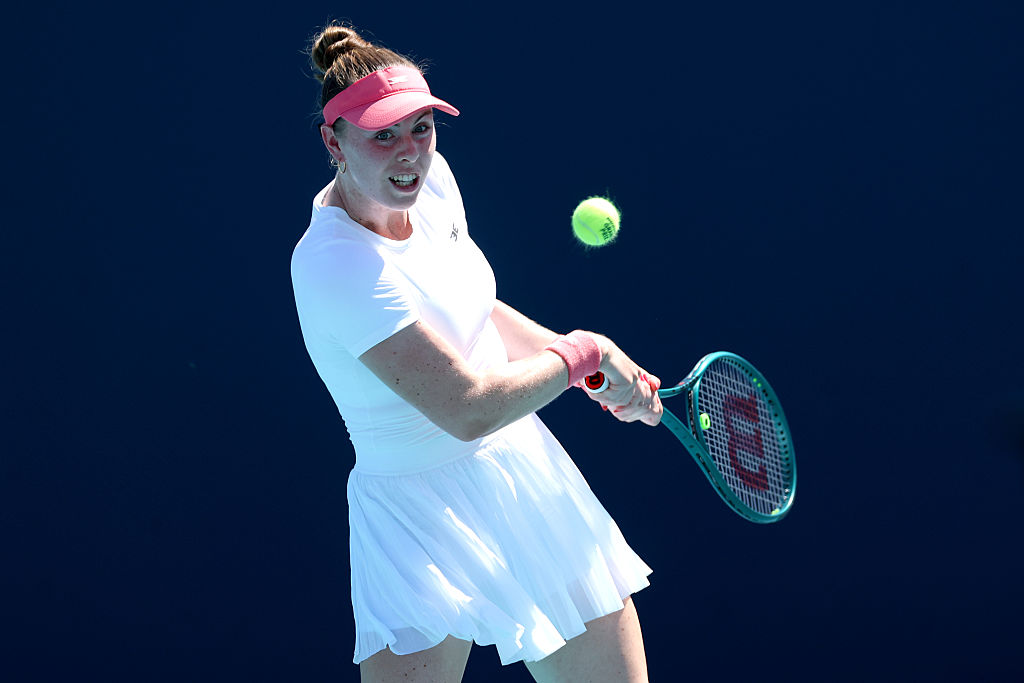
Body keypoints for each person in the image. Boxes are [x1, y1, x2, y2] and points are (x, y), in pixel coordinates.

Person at [290, 22, 664, 683]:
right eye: (383, 135)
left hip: (523, 471)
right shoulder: (335, 264)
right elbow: (465, 408)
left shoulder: (431, 183)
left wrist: (589, 368)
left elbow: (473, 311)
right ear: (333, 142)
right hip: (415, 518)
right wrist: (583, 354)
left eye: (422, 128)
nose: (410, 153)